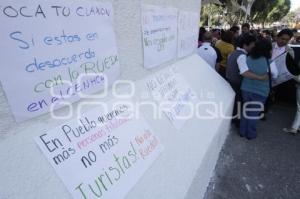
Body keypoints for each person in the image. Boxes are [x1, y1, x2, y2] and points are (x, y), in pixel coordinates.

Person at [226, 33, 268, 127]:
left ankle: (235, 120)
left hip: (231, 81)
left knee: (236, 103)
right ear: (245, 45)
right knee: (239, 104)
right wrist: (260, 77)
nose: (254, 47)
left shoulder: (233, 52)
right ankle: (238, 122)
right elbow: (244, 72)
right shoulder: (242, 56)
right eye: (253, 45)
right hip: (237, 83)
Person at [239, 39, 274, 139]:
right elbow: (275, 74)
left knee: (246, 110)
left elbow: (244, 71)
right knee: (254, 113)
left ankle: (242, 131)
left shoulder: (248, 58)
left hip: (245, 88)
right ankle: (250, 133)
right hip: (261, 91)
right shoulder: (269, 62)